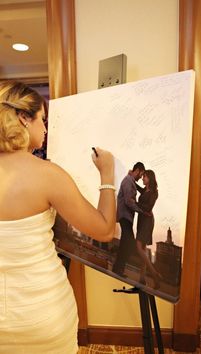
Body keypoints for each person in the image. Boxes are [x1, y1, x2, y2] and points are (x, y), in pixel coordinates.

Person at [0, 81, 116, 354]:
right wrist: (107, 175)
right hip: (42, 312)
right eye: (43, 119)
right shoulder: (48, 175)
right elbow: (104, 231)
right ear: (23, 118)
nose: (46, 128)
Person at [112, 162, 145, 276]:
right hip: (125, 216)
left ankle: (117, 268)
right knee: (130, 243)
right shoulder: (127, 181)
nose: (140, 178)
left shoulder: (130, 181)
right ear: (137, 170)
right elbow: (128, 201)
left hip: (127, 217)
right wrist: (142, 211)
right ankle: (118, 268)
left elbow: (137, 192)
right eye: (141, 175)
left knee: (125, 243)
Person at [135, 170, 160, 287]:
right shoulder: (146, 189)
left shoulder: (154, 192)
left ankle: (154, 274)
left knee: (139, 247)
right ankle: (142, 278)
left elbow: (148, 206)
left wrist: (135, 203)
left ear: (150, 178)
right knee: (143, 250)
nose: (143, 178)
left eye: (144, 176)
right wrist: (131, 178)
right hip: (142, 219)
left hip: (147, 221)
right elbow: (139, 189)